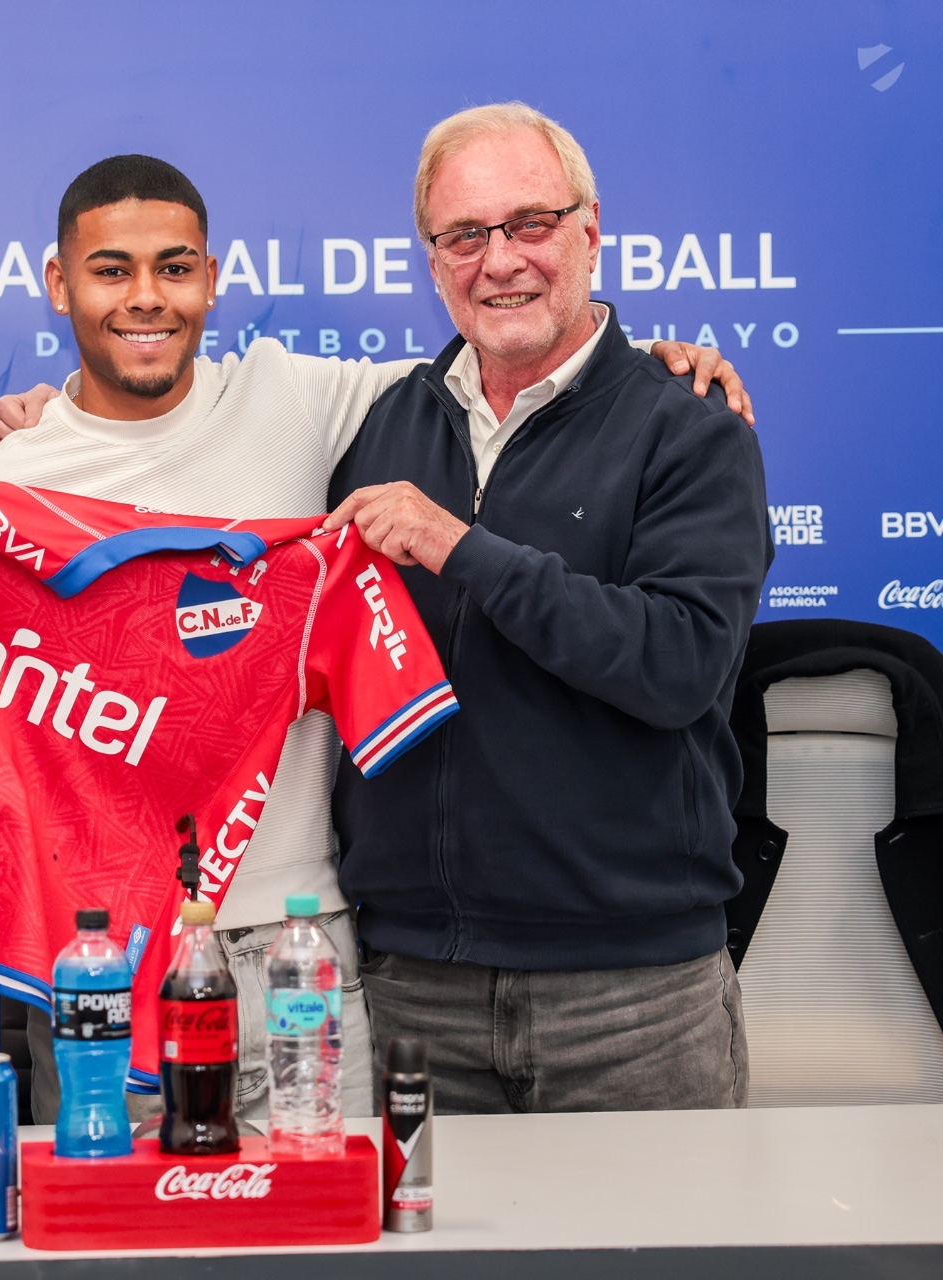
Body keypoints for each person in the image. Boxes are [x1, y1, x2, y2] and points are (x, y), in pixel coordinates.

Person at [0, 154, 752, 1123]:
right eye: (110, 270)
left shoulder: (305, 401)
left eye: (173, 268)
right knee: (128, 1217)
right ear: (58, 284)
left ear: (212, 279)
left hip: (319, 950)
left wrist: (647, 362)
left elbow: (524, 352)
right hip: (125, 958)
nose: (144, 297)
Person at [325, 103, 770, 1113]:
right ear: (431, 259)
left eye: (530, 223)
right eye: (463, 235)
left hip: (635, 999)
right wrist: (58, 415)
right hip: (412, 987)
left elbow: (677, 666)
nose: (500, 261)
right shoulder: (378, 420)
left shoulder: (689, 426)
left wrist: (462, 548)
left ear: (590, 230)